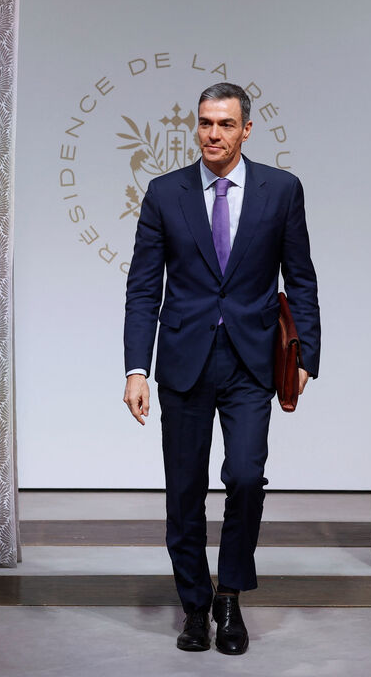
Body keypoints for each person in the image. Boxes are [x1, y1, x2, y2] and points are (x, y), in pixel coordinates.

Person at [122, 82, 321, 655]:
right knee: (184, 491)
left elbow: (300, 277)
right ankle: (194, 605)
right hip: (183, 362)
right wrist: (136, 369)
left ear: (246, 130)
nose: (213, 134)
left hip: (251, 362)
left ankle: (229, 596)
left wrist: (306, 353)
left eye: (226, 124)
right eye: (206, 123)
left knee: (246, 476)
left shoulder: (281, 190)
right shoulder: (166, 193)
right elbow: (143, 288)